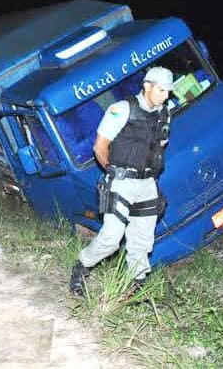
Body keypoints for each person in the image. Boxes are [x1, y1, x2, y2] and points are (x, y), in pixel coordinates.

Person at [69, 66, 174, 296]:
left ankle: (137, 284)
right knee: (111, 237)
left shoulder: (164, 114)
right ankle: (82, 266)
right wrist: (112, 172)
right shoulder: (122, 109)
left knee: (142, 240)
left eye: (168, 91)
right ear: (147, 85)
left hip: (147, 183)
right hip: (122, 181)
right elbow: (100, 146)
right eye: (161, 90)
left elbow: (158, 148)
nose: (165, 95)